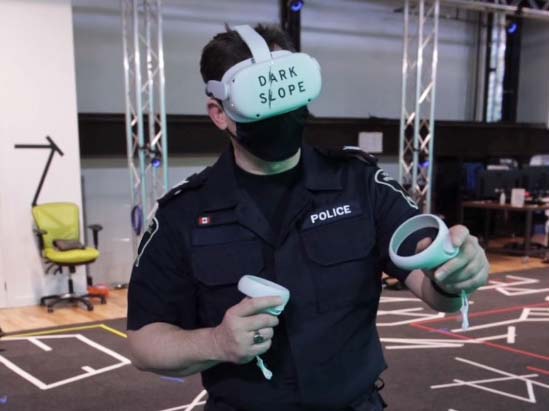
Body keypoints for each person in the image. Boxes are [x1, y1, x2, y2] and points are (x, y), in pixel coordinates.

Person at [126, 24, 489, 411]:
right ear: (219, 113)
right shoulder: (183, 213)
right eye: (262, 107)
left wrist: (454, 276)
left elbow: (436, 291)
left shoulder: (360, 183)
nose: (281, 118)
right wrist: (215, 343)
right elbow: (145, 343)